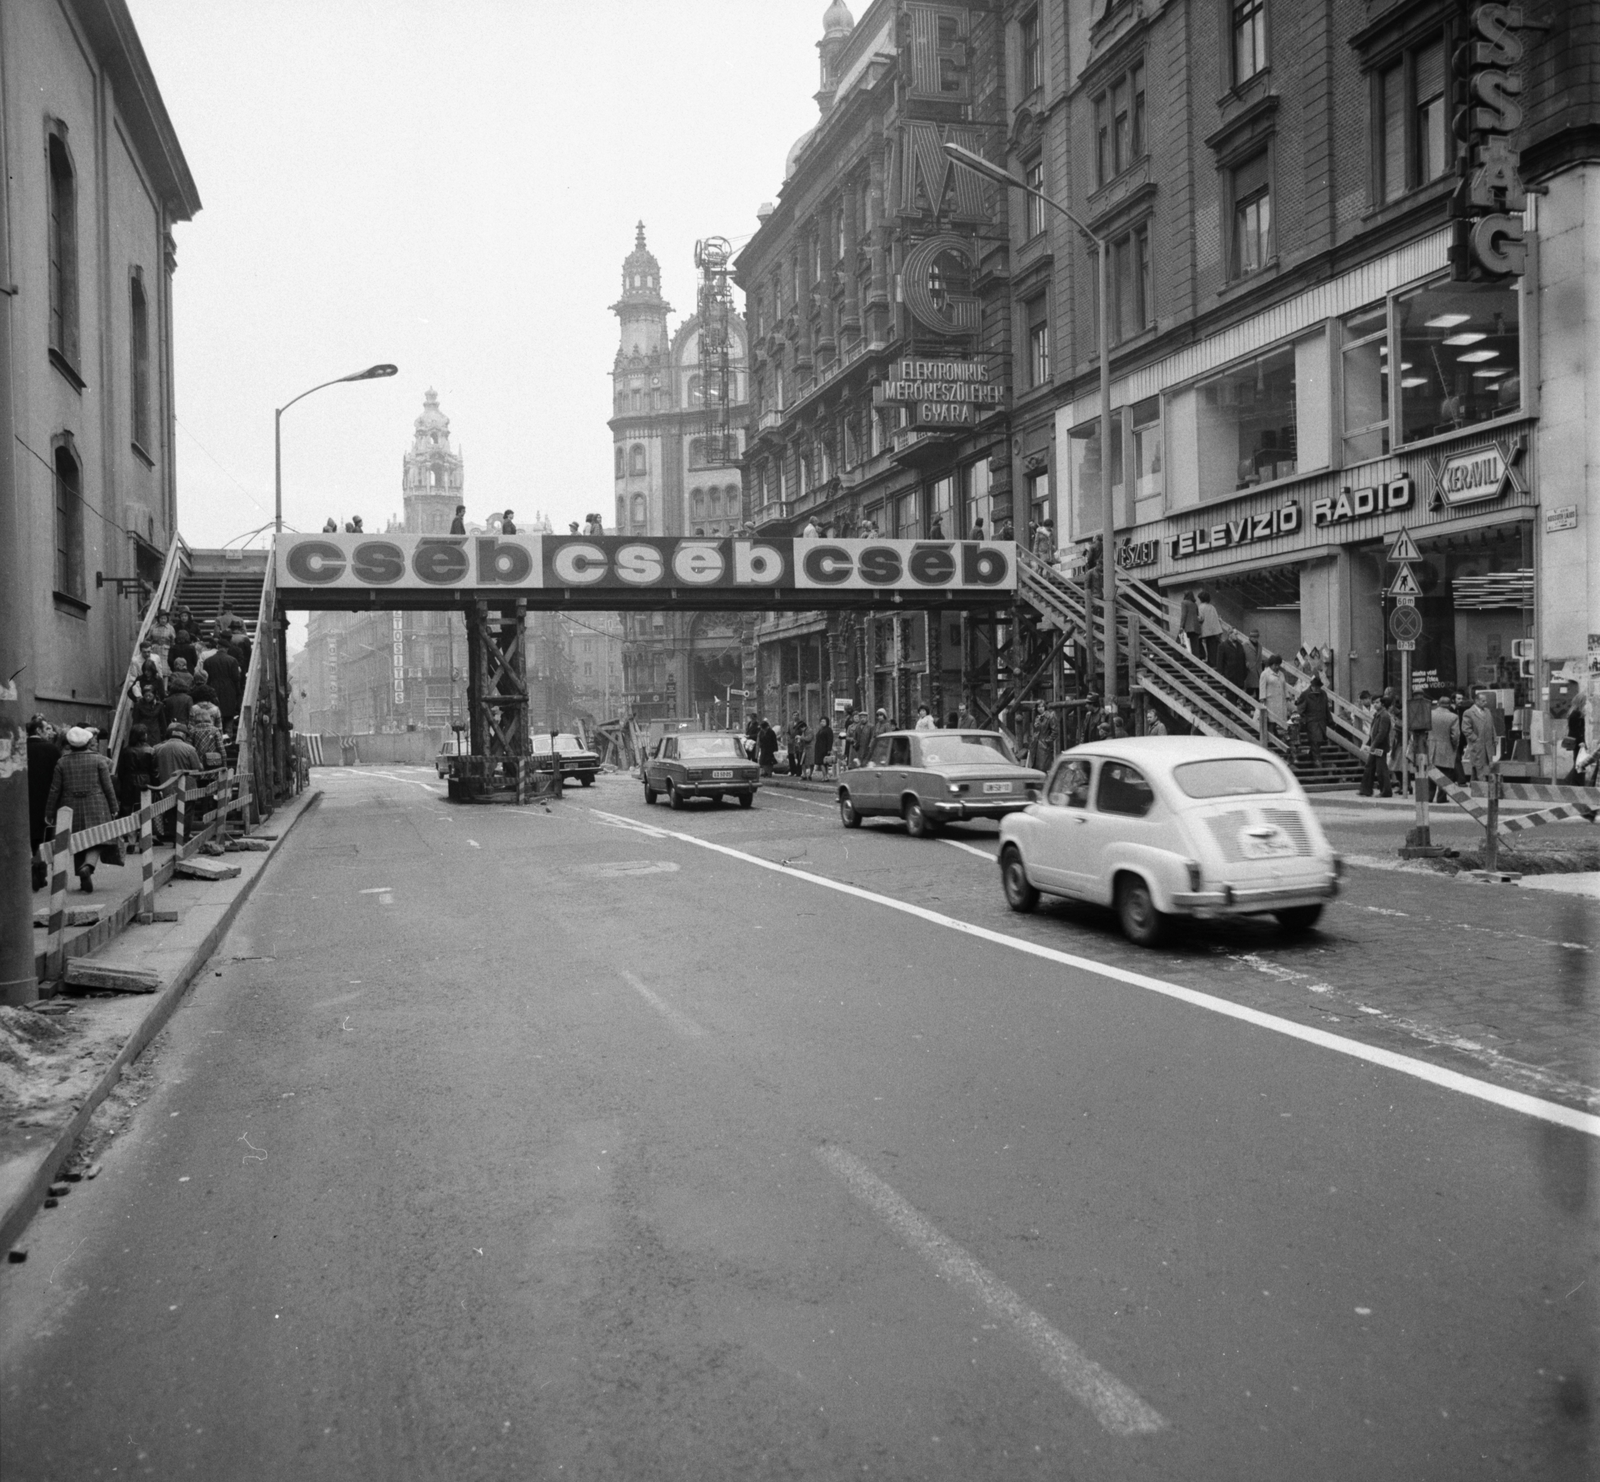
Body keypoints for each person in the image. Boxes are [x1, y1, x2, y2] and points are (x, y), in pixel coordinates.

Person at [45, 727, 121, 892]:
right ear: (87, 742)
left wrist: (50, 812)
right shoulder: (98, 760)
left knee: (77, 840)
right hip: (97, 804)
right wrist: (114, 806)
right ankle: (88, 866)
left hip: (70, 805)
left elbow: (55, 790)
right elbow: (108, 787)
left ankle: (82, 880)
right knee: (100, 838)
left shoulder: (62, 762)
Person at [26, 716, 62, 889]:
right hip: (47, 802)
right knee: (46, 837)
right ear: (38, 731)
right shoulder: (51, 750)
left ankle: (34, 867)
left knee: (31, 837)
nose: (51, 732)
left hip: (25, 802)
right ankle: (40, 870)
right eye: (47, 729)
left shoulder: (20, 748)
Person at [152, 722, 202, 842]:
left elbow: (154, 768)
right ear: (183, 735)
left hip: (167, 786)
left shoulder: (157, 748)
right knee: (187, 813)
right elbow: (198, 769)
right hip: (188, 787)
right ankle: (183, 839)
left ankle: (175, 837)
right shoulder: (189, 749)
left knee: (172, 814)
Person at [116, 723, 157, 815]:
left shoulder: (126, 751)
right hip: (145, 781)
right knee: (144, 807)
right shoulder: (150, 751)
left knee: (127, 807)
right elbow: (154, 772)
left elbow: (121, 770)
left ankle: (128, 827)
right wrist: (156, 787)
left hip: (128, 781)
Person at [203, 641, 243, 731]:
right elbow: (236, 678)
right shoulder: (232, 660)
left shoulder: (208, 661)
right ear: (227, 649)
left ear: (218, 647)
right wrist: (238, 694)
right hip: (229, 692)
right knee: (229, 719)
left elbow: (206, 678)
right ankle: (228, 740)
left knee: (214, 719)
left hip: (213, 691)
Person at [1360, 696, 1395, 797]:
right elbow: (1373, 732)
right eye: (1374, 702)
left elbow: (1381, 733)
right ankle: (1366, 790)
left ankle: (1386, 791)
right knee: (1369, 767)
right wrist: (1369, 743)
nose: (1375, 704)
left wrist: (1373, 745)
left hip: (1380, 746)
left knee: (1381, 769)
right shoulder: (1377, 715)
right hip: (1375, 745)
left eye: (1377, 702)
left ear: (1382, 704)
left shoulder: (1384, 716)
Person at [1427, 694, 1461, 799]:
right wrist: (1455, 747)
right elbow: (1455, 735)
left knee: (1431, 772)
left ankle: (1429, 796)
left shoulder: (1429, 714)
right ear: (1449, 705)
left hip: (1431, 747)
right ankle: (1441, 798)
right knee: (1445, 774)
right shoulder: (1453, 717)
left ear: (1438, 703)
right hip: (1446, 747)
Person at [1295, 674, 1331, 770]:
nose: (1318, 689)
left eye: (1319, 687)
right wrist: (1304, 721)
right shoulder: (1305, 694)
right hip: (1311, 723)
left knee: (1318, 743)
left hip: (1322, 722)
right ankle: (1317, 763)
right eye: (1316, 687)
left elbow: (1326, 709)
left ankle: (1310, 759)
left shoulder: (1323, 694)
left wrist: (1330, 720)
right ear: (1312, 686)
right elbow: (1300, 710)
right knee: (1315, 742)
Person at [1461, 691, 1496, 780]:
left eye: (1485, 701)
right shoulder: (1469, 713)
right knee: (1478, 765)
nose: (1485, 703)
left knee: (1485, 766)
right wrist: (1475, 739)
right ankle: (1481, 785)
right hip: (1477, 744)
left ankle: (1475, 785)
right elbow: (1466, 729)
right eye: (1483, 701)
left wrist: (1494, 738)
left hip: (1488, 744)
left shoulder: (1487, 711)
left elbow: (1492, 726)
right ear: (1476, 701)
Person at [1259, 654, 1289, 739]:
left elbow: (1284, 686)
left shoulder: (1281, 674)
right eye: (1275, 665)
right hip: (1270, 701)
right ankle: (1271, 738)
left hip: (1280, 700)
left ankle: (1278, 736)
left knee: (1280, 720)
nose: (1277, 667)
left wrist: (1287, 696)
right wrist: (1262, 700)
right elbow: (1262, 687)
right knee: (1271, 720)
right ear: (1271, 664)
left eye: (1278, 665)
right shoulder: (1265, 674)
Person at [1196, 589, 1223, 668]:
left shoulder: (1201, 607)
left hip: (1207, 630)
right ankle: (1214, 663)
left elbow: (1201, 618)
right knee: (1213, 648)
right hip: (1215, 630)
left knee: (1207, 646)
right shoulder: (1212, 607)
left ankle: (1209, 661)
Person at [808, 714, 834, 781]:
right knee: (822, 763)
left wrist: (829, 749)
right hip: (819, 748)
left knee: (823, 762)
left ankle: (825, 776)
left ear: (827, 722)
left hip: (824, 748)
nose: (822, 723)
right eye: (821, 721)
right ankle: (825, 776)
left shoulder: (828, 730)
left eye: (824, 721)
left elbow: (830, 740)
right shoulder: (820, 730)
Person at [1179, 591, 1201, 657]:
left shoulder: (1184, 603)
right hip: (1196, 627)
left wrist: (1181, 626)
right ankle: (1196, 662)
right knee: (1195, 646)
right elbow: (1197, 615)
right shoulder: (1195, 604)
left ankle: (1189, 660)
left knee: (1187, 644)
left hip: (1188, 627)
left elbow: (1184, 615)